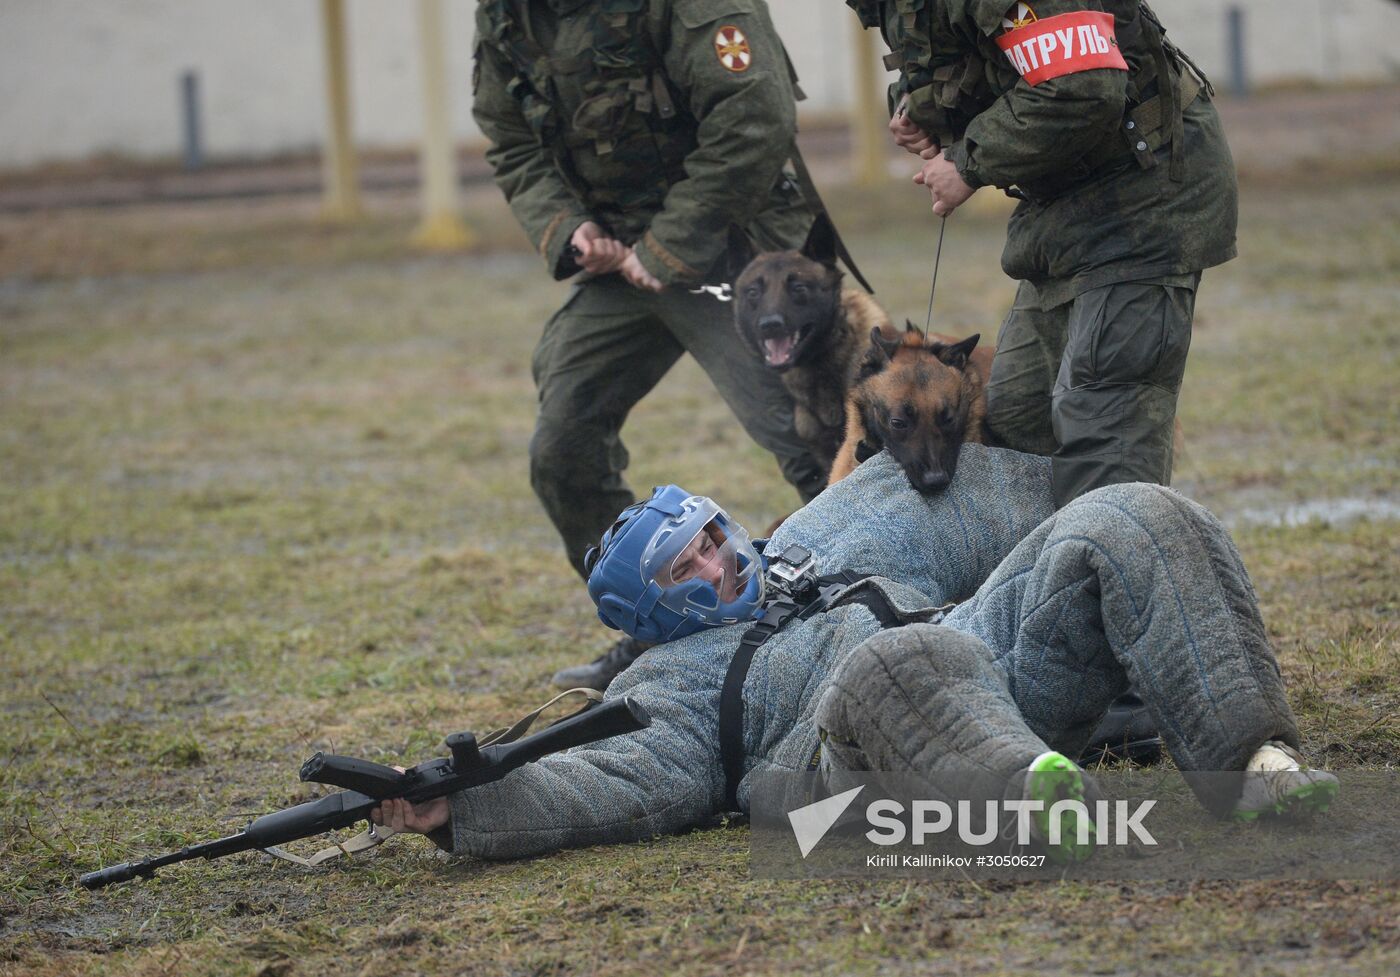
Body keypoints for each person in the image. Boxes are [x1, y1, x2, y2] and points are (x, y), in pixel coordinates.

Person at [371, 447, 1337, 863]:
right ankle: (1044, 810)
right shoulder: (662, 686)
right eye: (689, 565)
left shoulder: (822, 533)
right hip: (844, 768)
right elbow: (605, 782)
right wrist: (462, 806)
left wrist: (1103, 500)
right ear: (649, 612)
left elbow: (986, 491)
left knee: (1133, 512)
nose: (722, 558)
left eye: (715, 532)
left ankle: (1258, 764)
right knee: (898, 660)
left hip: (992, 675)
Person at [471, 0, 830, 690]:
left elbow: (754, 119)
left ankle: (857, 622)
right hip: (619, 257)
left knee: (816, 440)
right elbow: (511, 141)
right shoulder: (507, 14)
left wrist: (669, 246)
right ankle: (661, 634)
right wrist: (568, 227)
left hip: (735, 240)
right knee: (563, 443)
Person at [846, 0, 1237, 508]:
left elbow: (1081, 87)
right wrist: (917, 109)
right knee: (1017, 415)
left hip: (1144, 196)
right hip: (1064, 206)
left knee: (1104, 429)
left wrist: (967, 163)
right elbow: (947, 58)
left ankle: (1117, 575)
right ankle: (1051, 577)